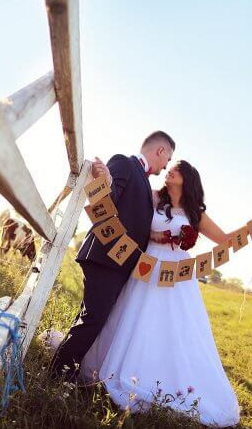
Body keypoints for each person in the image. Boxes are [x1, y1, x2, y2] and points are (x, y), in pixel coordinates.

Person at [77, 160, 246, 426]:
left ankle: (164, 377)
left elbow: (225, 239)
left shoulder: (195, 214)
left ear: (187, 178)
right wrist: (154, 236)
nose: (170, 170)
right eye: (170, 166)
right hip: (146, 266)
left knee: (173, 327)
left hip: (178, 276)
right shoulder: (153, 197)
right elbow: (132, 219)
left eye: (176, 168)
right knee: (132, 316)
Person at [50, 131, 175, 379]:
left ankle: (64, 366)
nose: (166, 165)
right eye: (168, 159)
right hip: (106, 257)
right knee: (94, 318)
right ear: (160, 151)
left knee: (92, 317)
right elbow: (110, 200)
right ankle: (59, 373)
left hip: (119, 262)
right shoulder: (124, 162)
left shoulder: (144, 180)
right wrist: (106, 180)